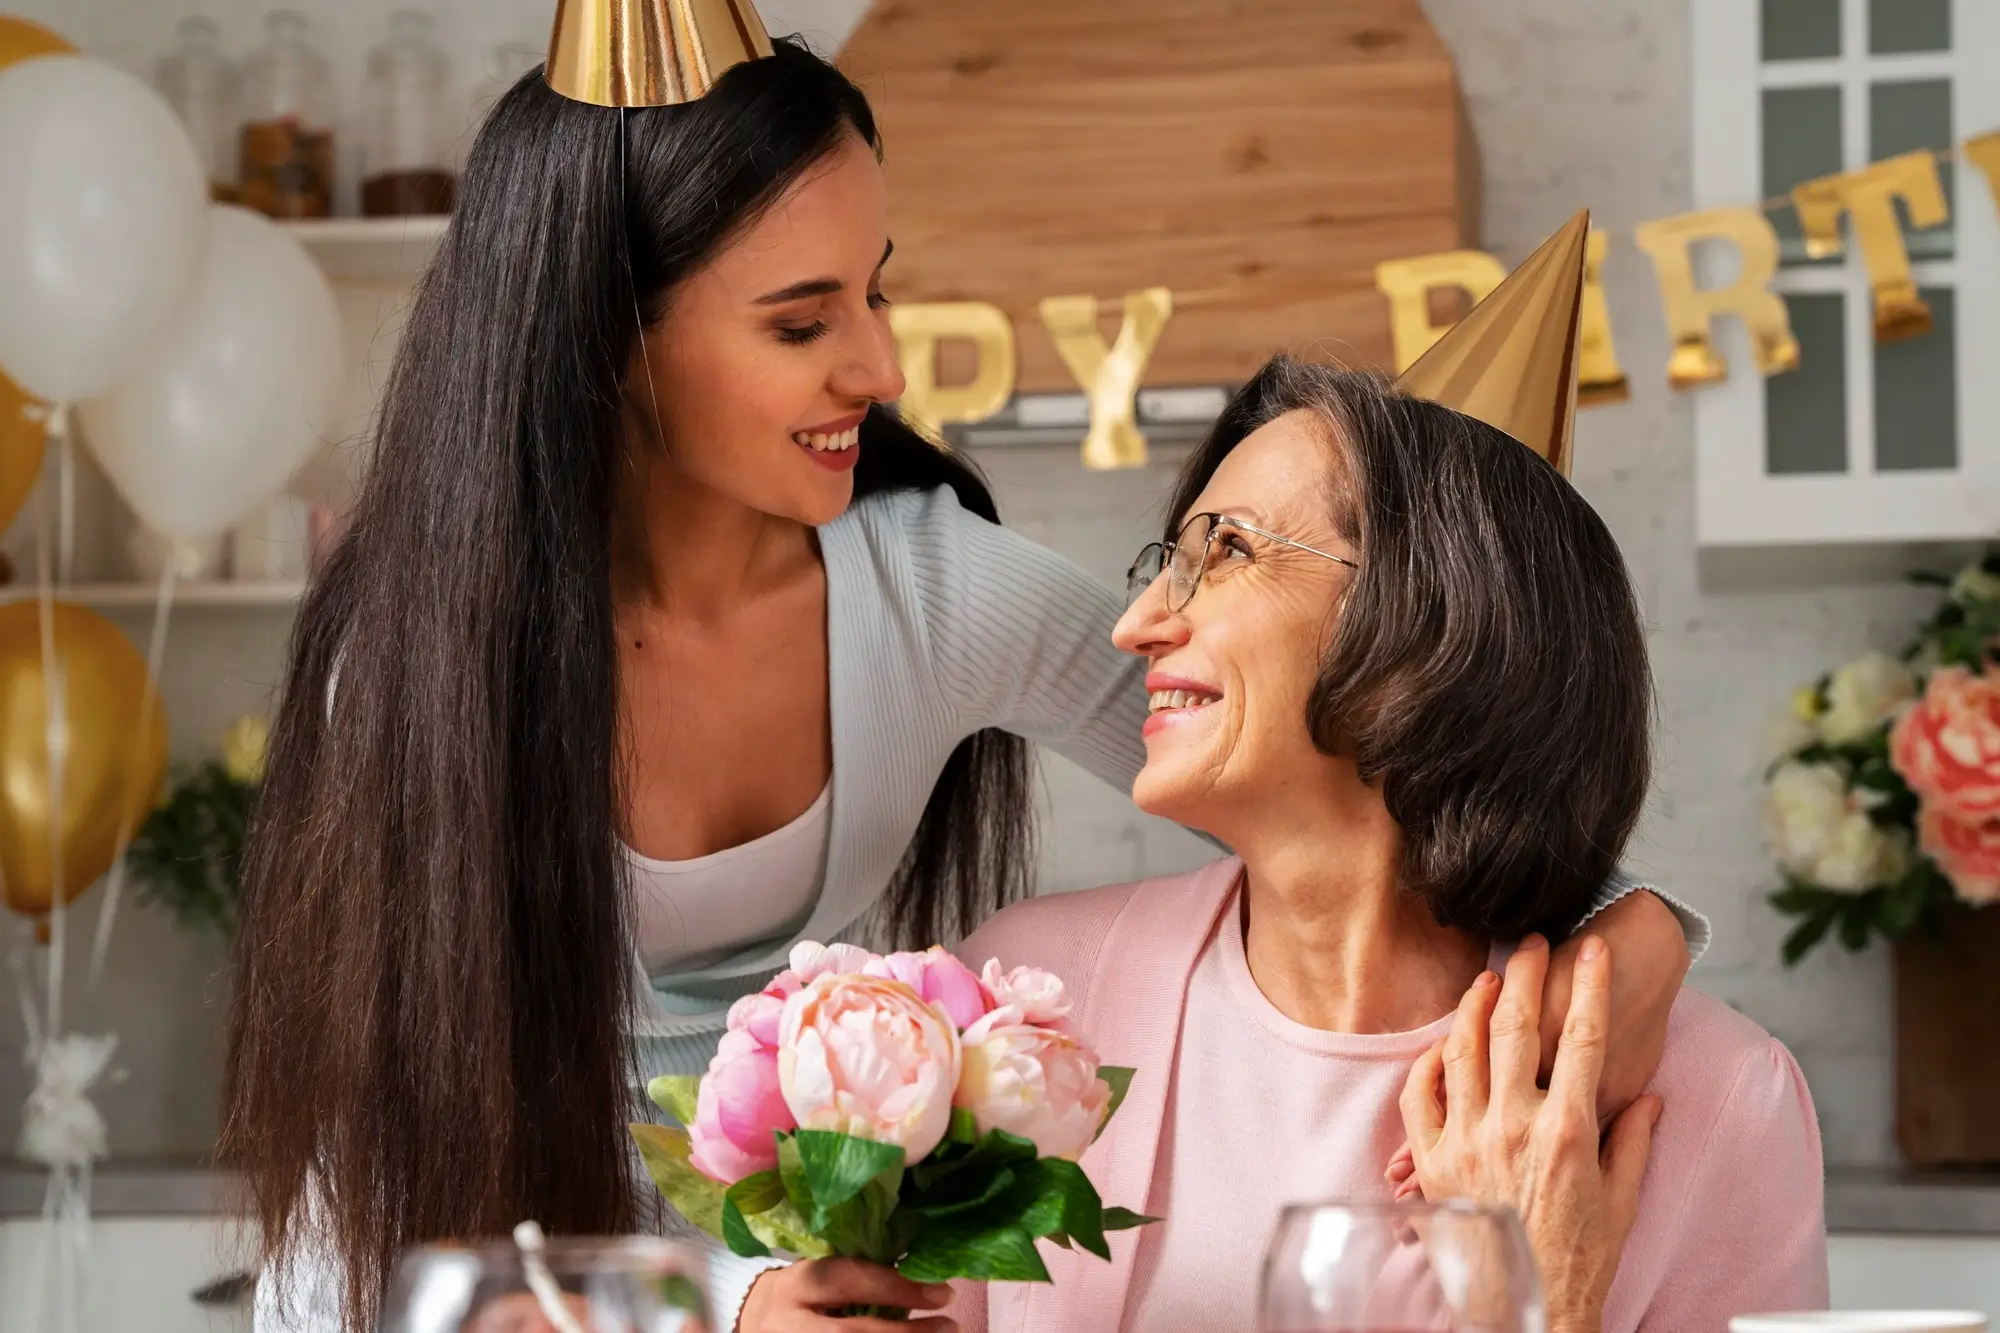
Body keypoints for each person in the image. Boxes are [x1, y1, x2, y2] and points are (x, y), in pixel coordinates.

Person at [226, 12, 1705, 1332]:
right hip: (453, 1264)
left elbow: (1354, 757)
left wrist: (1633, 921)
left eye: (876, 292)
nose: (879, 367)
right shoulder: (413, 650)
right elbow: (392, 1142)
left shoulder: (924, 590)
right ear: (613, 337)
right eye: (802, 322)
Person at [922, 248, 1827, 1333]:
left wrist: (1537, 1297)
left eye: (1227, 551)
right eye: (1168, 558)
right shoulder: (1022, 1000)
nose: (1138, 624)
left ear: (1432, 622)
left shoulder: (1715, 1099)